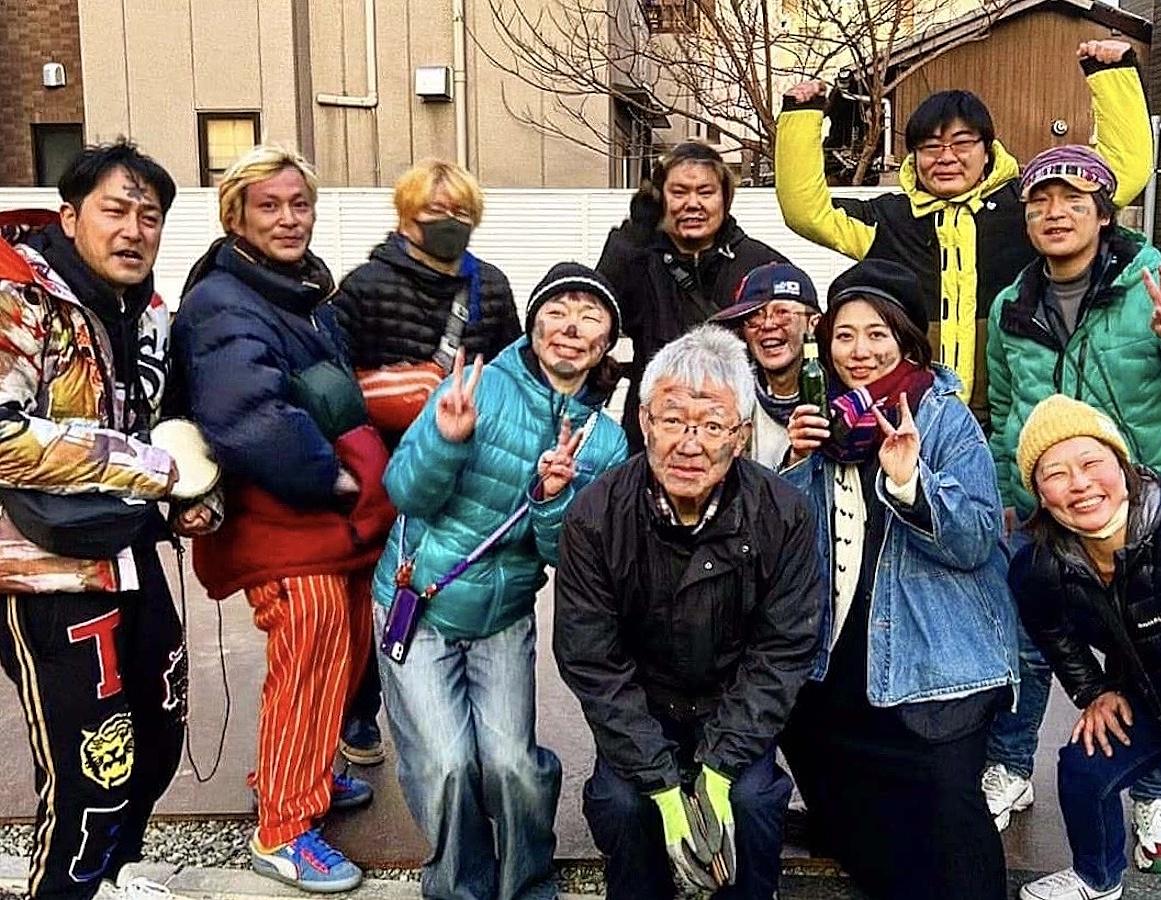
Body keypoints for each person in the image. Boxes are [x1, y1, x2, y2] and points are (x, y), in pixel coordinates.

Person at [171, 146, 395, 892]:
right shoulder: (224, 302)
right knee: (308, 663)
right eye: (269, 205)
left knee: (336, 661)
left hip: (322, 528)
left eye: (299, 203)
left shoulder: (295, 291)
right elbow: (247, 416)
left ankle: (297, 775)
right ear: (235, 215)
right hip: (286, 525)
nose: (290, 218)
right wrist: (331, 477)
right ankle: (284, 830)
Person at [374, 262, 627, 900]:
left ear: (607, 340)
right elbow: (405, 492)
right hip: (421, 603)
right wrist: (446, 439)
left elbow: (568, 557)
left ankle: (526, 884)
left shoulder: (605, 442)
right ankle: (460, 888)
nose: (571, 327)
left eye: (589, 315)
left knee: (513, 765)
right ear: (533, 323)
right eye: (557, 310)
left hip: (504, 614)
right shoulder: (474, 386)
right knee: (447, 764)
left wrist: (553, 498)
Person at [554, 325, 824, 900]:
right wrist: (661, 783)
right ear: (645, 422)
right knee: (623, 804)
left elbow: (783, 651)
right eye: (673, 420)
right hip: (641, 709)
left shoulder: (783, 514)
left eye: (711, 425)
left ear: (741, 436)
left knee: (752, 802)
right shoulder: (596, 517)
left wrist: (720, 767)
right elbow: (592, 661)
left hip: (733, 706)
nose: (689, 444)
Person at [778, 259, 1018, 900]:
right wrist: (795, 464)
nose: (860, 351)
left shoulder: (943, 418)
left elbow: (976, 538)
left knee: (947, 811)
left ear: (907, 340)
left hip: (937, 652)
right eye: (844, 335)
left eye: (877, 333)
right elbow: (780, 545)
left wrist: (911, 480)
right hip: (841, 648)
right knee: (810, 741)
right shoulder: (823, 418)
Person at [985, 144, 1161, 859]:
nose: (1055, 214)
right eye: (1040, 203)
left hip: (1136, 515)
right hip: (1043, 511)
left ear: (1104, 215)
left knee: (1158, 652)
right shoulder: (1011, 304)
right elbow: (1005, 408)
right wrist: (1008, 495)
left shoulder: (1157, 287)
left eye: (1073, 201)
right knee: (1028, 644)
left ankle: (1156, 797)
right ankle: (1010, 767)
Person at [0, 141, 199, 899]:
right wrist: (149, 467)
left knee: (159, 733)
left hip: (131, 552)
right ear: (69, 216)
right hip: (42, 572)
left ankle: (107, 879)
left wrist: (194, 494)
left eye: (149, 217)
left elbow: (167, 428)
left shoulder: (148, 310)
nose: (133, 230)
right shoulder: (18, 295)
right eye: (115, 210)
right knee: (93, 766)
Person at [775, 39, 1151, 424]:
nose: (946, 157)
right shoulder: (887, 218)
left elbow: (1116, 179)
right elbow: (807, 211)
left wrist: (1111, 75)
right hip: (913, 414)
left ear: (987, 150)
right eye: (930, 147)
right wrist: (802, 117)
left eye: (962, 143)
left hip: (1012, 412)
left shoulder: (1026, 206)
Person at [334, 158, 521, 766]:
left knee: (451, 584)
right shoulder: (364, 287)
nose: (448, 222)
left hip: (466, 464)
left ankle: (457, 719)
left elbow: (511, 368)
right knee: (378, 588)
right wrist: (393, 392)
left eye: (460, 212)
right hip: (383, 464)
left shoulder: (490, 286)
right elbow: (335, 379)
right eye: (434, 211)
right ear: (406, 217)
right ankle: (360, 708)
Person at [1009, 395, 1161, 900]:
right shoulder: (1042, 563)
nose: (1079, 484)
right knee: (1084, 766)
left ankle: (1158, 806)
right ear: (1039, 493)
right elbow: (1050, 628)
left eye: (1092, 462)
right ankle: (1097, 879)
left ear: (1122, 464)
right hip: (1148, 691)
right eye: (1055, 474)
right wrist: (1094, 691)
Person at [597, 142, 787, 450]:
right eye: (679, 192)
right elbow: (598, 311)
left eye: (705, 192)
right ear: (661, 199)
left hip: (737, 430)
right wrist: (635, 233)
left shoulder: (761, 265)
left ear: (725, 198)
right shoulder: (638, 259)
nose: (692, 203)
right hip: (657, 428)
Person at [710, 262, 822, 470]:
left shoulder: (841, 402)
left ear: (812, 324)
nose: (768, 325)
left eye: (782, 313)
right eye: (754, 316)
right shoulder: (731, 401)